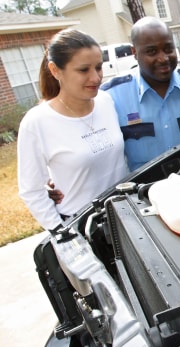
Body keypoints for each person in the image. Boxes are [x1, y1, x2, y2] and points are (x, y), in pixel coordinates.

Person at [17, 29, 129, 232]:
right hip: (83, 227)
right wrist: (62, 233)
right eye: (83, 70)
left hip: (128, 213)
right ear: (55, 70)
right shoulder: (36, 122)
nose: (96, 77)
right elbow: (32, 191)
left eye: (98, 67)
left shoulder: (105, 101)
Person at [100, 16, 180, 171]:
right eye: (152, 51)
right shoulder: (112, 97)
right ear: (134, 52)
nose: (163, 58)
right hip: (144, 192)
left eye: (168, 49)